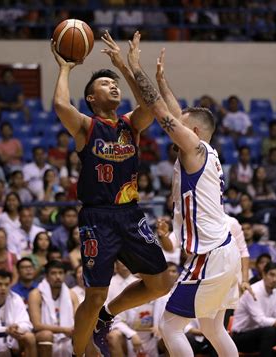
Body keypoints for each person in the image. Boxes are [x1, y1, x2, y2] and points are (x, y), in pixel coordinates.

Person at [51, 31, 171, 357]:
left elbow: (150, 104)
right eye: (105, 84)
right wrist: (65, 67)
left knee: (161, 284)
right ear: (91, 98)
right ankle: (80, 352)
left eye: (114, 83)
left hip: (130, 213)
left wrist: (125, 66)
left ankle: (108, 316)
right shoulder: (86, 127)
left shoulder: (130, 125)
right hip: (98, 217)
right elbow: (61, 104)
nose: (113, 86)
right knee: (94, 294)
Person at [131, 45, 240, 357]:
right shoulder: (206, 151)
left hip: (210, 253)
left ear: (192, 132)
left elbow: (162, 113)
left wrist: (136, 69)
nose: (176, 125)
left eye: (183, 123)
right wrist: (162, 80)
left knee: (170, 326)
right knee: (212, 328)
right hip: (223, 248)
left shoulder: (192, 148)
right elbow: (175, 114)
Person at [231, 262, 276, 356]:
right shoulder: (253, 291)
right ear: (264, 274)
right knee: (269, 331)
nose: (274, 279)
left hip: (261, 336)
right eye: (272, 275)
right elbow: (261, 321)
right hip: (241, 338)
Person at [28, 260, 79, 357]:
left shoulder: (72, 294)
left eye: (60, 273)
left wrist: (73, 330)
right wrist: (64, 330)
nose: (58, 277)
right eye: (53, 273)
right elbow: (37, 325)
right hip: (43, 335)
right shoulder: (35, 294)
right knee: (46, 335)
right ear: (46, 276)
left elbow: (78, 320)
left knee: (87, 334)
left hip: (68, 333)